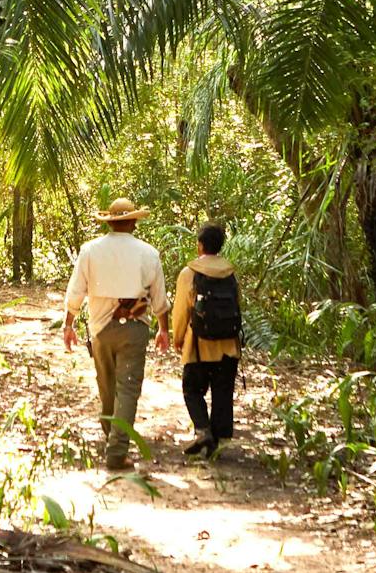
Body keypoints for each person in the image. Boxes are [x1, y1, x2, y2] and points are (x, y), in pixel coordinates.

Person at [62, 197, 167, 471]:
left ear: (109, 222)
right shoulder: (148, 253)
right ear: (133, 222)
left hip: (100, 328)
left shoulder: (90, 250)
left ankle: (114, 441)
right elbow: (159, 297)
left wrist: (69, 324)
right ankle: (117, 450)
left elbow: (76, 291)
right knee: (128, 389)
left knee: (107, 387)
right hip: (134, 328)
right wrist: (163, 329)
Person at [168, 222, 242, 461]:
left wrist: (177, 337)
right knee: (222, 393)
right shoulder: (230, 272)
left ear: (200, 245)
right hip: (228, 346)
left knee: (192, 390)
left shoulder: (189, 273)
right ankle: (217, 441)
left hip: (198, 344)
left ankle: (203, 432)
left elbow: (181, 311)